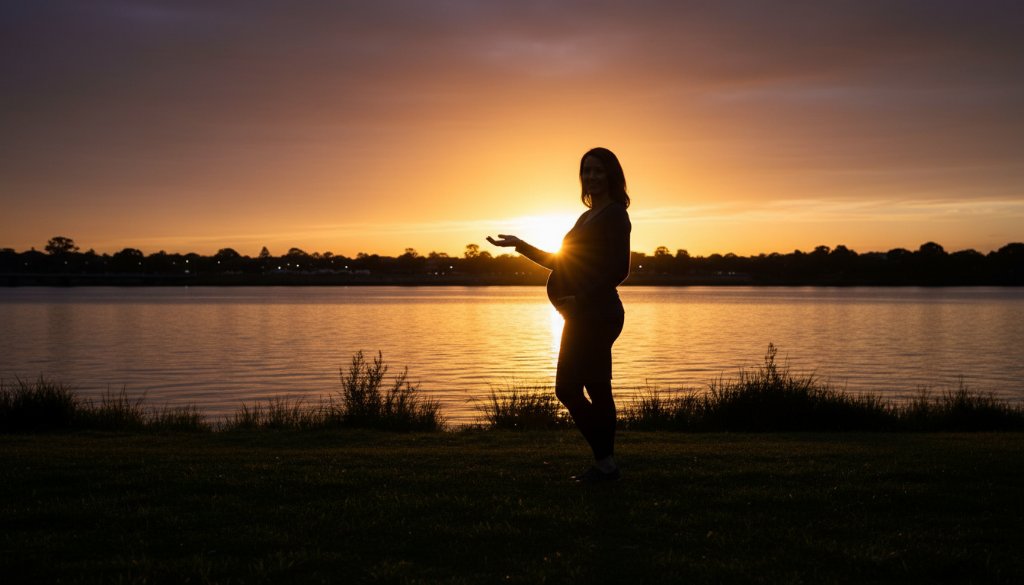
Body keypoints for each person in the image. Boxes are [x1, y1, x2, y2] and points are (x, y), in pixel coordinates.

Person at [487, 147, 631, 483]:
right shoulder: (586, 217)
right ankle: (606, 465)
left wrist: (581, 298)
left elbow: (619, 269)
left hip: (597, 315)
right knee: (596, 388)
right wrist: (520, 245)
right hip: (582, 315)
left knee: (568, 389)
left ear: (611, 175)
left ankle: (606, 463)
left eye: (598, 170)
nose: (591, 177)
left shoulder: (614, 215)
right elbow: (560, 261)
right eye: (586, 171)